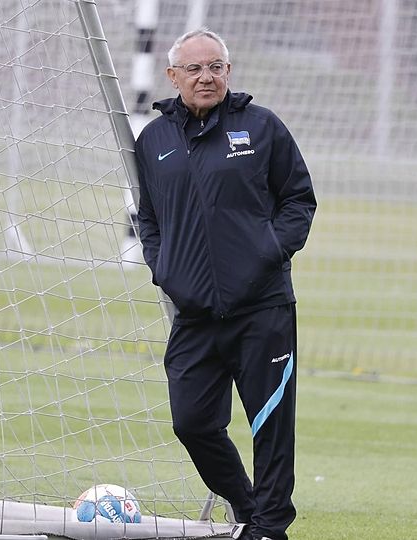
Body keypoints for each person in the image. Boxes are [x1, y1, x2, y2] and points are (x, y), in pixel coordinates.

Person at [134, 28, 316, 540]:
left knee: (270, 425)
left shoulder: (260, 127)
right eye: (194, 69)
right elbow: (149, 218)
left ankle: (271, 527)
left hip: (262, 308)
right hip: (194, 314)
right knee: (191, 422)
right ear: (173, 77)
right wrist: (163, 266)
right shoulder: (154, 141)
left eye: (215, 66)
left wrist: (268, 251)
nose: (206, 77)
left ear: (228, 72)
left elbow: (299, 199)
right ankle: (245, 504)